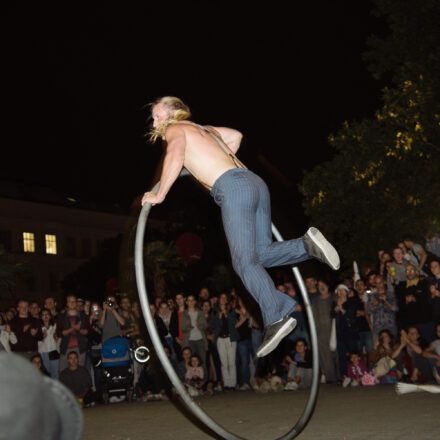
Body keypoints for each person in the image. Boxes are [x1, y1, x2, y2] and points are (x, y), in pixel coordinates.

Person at [141, 96, 340, 358]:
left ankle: (276, 314)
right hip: (254, 183)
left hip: (233, 189)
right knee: (262, 253)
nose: (155, 122)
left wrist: (160, 194)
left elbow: (175, 155)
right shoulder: (205, 130)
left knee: (244, 263)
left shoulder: (175, 130)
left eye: (158, 116)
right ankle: (306, 245)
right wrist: (211, 158)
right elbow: (236, 136)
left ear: (174, 114)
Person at [56, 294, 90, 371]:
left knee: (80, 371)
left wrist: (79, 330)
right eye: (69, 301)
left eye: (73, 301)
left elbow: (88, 331)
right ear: (67, 303)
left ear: (76, 303)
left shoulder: (83, 316)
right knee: (62, 370)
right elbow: (59, 333)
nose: (71, 303)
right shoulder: (61, 316)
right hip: (65, 348)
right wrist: (73, 328)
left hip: (80, 348)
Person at [38, 308, 60, 379]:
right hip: (43, 352)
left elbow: (59, 340)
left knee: (55, 374)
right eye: (43, 315)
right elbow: (37, 342)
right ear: (41, 317)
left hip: (54, 351)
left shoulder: (55, 326)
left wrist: (56, 339)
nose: (45, 316)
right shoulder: (38, 328)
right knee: (46, 374)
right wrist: (43, 338)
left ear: (50, 316)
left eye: (47, 314)